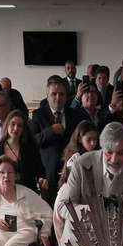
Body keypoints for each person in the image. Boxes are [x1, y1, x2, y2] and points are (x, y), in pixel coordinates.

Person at [31, 75, 89, 204]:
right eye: (54, 94)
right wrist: (50, 131)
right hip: (48, 174)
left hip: (71, 172)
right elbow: (33, 140)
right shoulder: (38, 115)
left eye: (61, 94)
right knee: (50, 212)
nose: (58, 98)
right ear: (47, 96)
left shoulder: (75, 114)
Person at [0, 109, 46, 193]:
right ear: (7, 125)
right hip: (2, 193)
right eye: (12, 124)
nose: (16, 128)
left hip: (27, 193)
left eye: (20, 125)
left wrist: (41, 178)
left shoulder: (30, 148)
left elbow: (39, 168)